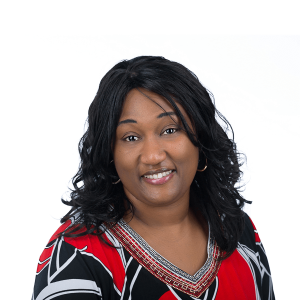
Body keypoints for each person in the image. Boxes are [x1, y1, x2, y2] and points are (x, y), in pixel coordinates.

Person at [32, 56, 275, 299]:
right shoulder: (76, 255)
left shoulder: (237, 232)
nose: (153, 156)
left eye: (170, 130)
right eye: (130, 137)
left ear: (201, 138)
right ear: (109, 154)